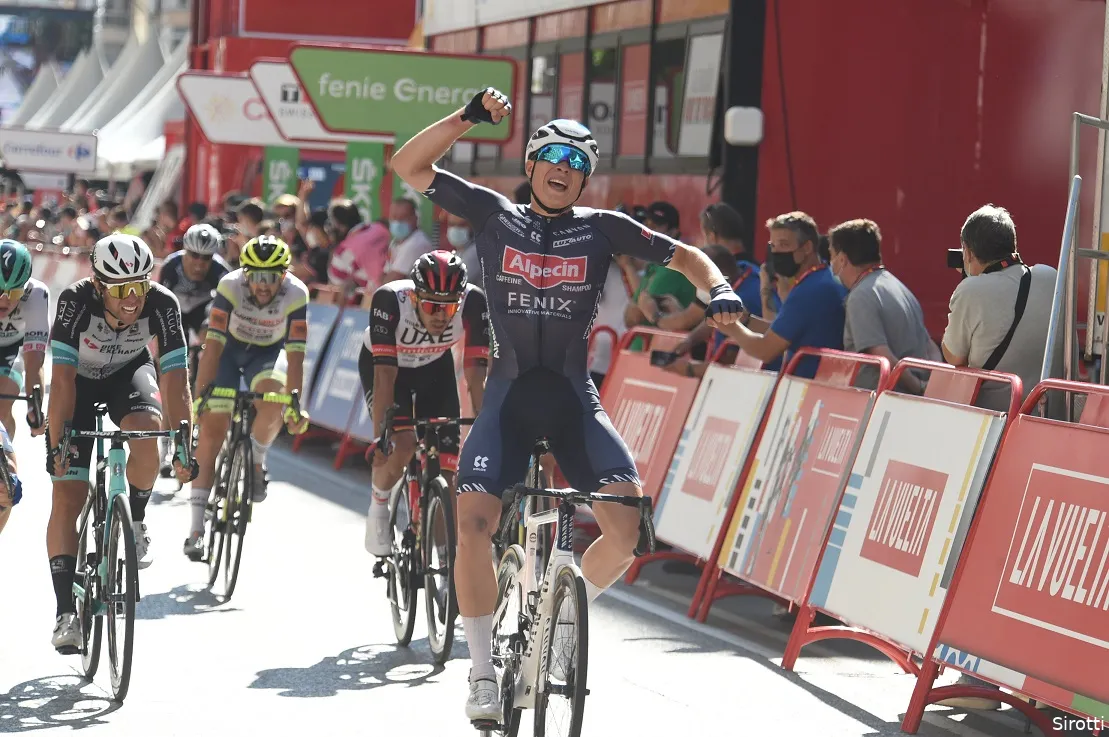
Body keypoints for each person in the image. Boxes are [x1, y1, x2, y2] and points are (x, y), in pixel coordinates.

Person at [390, 89, 744, 722]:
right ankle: (480, 673)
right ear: (531, 165)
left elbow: (688, 255)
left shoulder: (603, 228)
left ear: (586, 177)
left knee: (628, 531)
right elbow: (408, 166)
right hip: (508, 400)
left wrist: (717, 288)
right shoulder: (494, 215)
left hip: (574, 401)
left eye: (577, 161)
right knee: (472, 527)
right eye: (552, 155)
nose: (563, 167)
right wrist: (468, 118)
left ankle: (561, 615)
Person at [46, 234, 194, 652]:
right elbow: (61, 381)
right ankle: (65, 614)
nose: (132, 299)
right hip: (78, 383)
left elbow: (176, 379)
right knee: (68, 496)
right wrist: (57, 445)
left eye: (139, 285)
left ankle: (135, 520)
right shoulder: (76, 302)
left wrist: (184, 443)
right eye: (120, 288)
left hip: (128, 374)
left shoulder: (162, 303)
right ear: (98, 285)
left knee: (148, 432)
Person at [185, 235, 311, 560]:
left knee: (274, 401)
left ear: (284, 275)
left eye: (271, 277)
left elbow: (296, 355)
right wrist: (199, 397)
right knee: (212, 431)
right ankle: (196, 529)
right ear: (245, 274)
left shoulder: (297, 293)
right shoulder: (230, 286)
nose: (263, 285)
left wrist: (294, 404)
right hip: (227, 351)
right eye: (256, 276)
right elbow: (212, 346)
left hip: (267, 354)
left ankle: (256, 458)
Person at [359, 250, 489, 555]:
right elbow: (385, 378)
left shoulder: (473, 301)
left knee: (447, 472)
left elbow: (476, 378)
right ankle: (378, 506)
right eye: (431, 306)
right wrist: (381, 439)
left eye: (449, 307)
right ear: (415, 297)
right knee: (402, 446)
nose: (440, 316)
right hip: (390, 370)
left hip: (434, 368)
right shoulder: (390, 300)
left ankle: (445, 561)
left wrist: (486, 431)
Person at [715, 212, 848, 378]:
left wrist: (732, 328)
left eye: (784, 245)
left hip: (809, 385)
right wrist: (746, 320)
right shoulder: (823, 278)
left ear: (807, 247)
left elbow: (765, 350)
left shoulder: (808, 291)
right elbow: (783, 332)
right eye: (773, 246)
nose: (776, 253)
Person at [827, 219, 939, 393]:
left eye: (832, 255)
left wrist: (918, 387)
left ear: (842, 259)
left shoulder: (860, 297)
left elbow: (880, 354)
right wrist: (932, 383)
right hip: (907, 397)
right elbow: (929, 345)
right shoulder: (897, 286)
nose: (831, 263)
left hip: (882, 399)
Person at [0, 239, 46, 537]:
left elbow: (34, 360)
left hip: (12, 352)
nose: (5, 299)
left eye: (14, 292)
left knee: (2, 403)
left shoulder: (37, 294)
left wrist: (34, 406)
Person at [157, 223, 231, 345]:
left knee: (211, 336)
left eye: (206, 257)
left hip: (201, 308)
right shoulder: (171, 266)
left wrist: (211, 326)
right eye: (194, 255)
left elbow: (227, 304)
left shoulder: (221, 271)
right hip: (176, 306)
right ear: (185, 251)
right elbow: (160, 303)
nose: (199, 263)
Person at [381, 198, 436, 283]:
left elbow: (392, 279)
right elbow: (385, 273)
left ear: (415, 219)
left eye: (403, 218)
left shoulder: (417, 243)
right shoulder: (396, 242)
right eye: (394, 217)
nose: (398, 222)